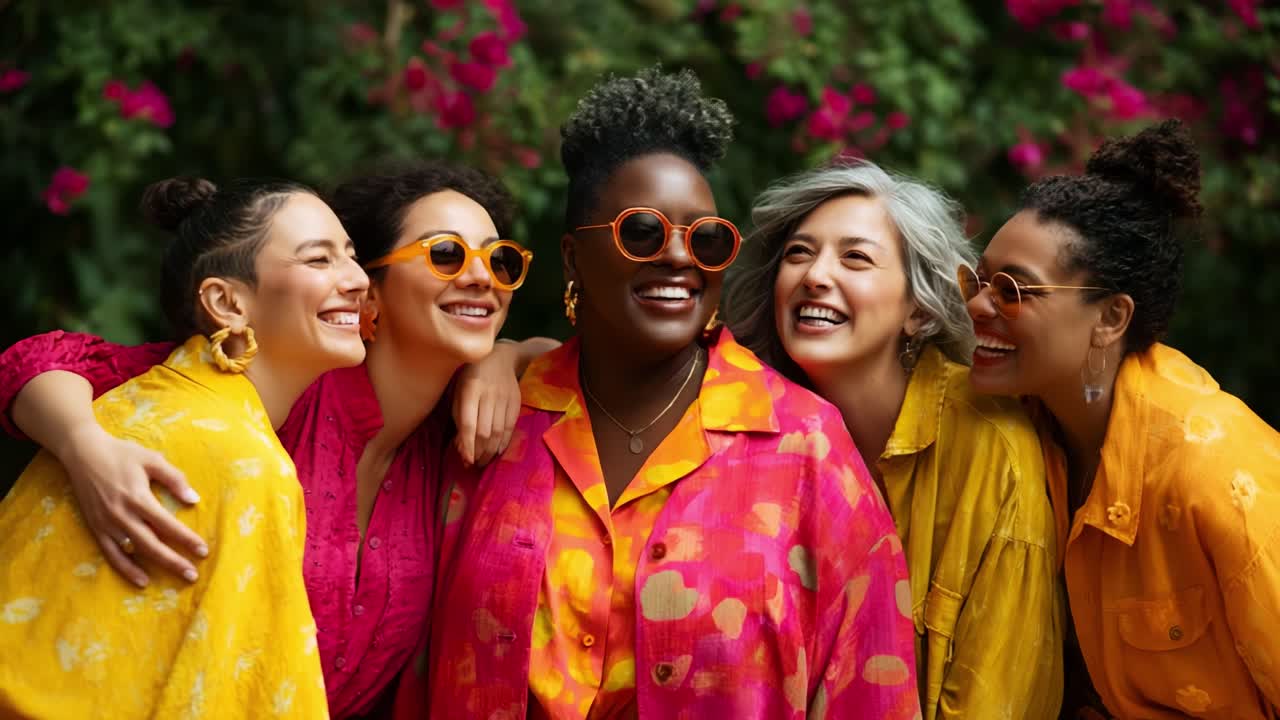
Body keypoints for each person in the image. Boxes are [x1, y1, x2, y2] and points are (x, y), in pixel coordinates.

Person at [409, 67, 920, 719]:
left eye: (704, 239)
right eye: (642, 232)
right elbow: (422, 668)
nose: (680, 257)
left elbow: (870, 684)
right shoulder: (495, 427)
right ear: (572, 257)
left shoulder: (804, 445)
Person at [0, 161, 554, 718]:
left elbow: (589, 364)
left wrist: (505, 355)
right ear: (371, 291)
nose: (484, 277)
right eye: (446, 254)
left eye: (499, 259)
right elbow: (41, 361)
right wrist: (84, 446)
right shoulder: (276, 386)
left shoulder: (449, 438)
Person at [0, 176, 368, 717]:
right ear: (227, 302)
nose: (358, 279)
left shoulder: (136, 404)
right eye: (320, 261)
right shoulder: (239, 459)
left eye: (352, 257)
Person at [961, 119, 1279, 719]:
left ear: (1109, 318)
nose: (977, 306)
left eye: (1014, 290)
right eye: (978, 281)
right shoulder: (1020, 427)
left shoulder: (1214, 472)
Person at [725, 159, 1062, 719]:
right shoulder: (738, 425)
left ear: (919, 311)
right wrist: (520, 353)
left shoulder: (992, 446)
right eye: (799, 253)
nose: (815, 275)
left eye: (855, 257)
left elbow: (1001, 695)